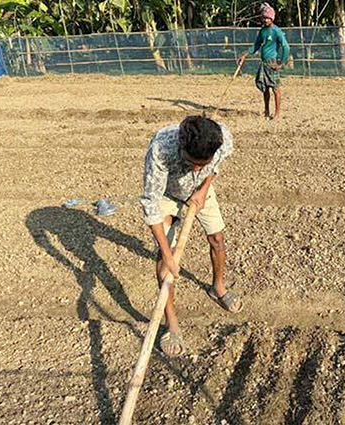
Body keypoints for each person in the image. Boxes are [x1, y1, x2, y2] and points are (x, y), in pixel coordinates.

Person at [140, 115, 243, 357]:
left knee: (217, 238)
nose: (196, 168)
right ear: (181, 146)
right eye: (191, 162)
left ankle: (218, 288)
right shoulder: (161, 148)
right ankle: (172, 324)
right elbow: (151, 204)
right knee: (165, 258)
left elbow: (214, 167)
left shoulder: (222, 138)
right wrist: (168, 255)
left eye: (201, 163)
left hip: (200, 191)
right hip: (168, 195)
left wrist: (204, 186)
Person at [238, 3, 290, 120]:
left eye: (268, 18)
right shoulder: (262, 31)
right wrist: (245, 54)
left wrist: (281, 63)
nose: (266, 20)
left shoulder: (277, 31)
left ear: (272, 18)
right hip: (264, 63)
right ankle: (266, 111)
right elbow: (256, 45)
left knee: (275, 89)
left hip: (272, 62)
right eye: (264, 18)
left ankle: (277, 114)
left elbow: (286, 47)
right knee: (265, 89)